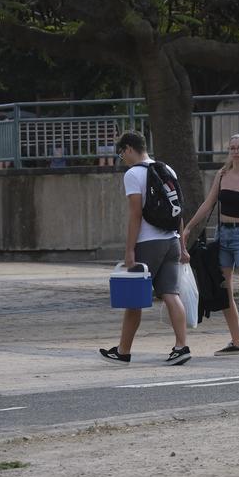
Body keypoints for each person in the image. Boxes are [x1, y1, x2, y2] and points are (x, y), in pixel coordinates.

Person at [180, 133, 239, 355]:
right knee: (225, 292)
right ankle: (237, 341)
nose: (235, 151)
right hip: (223, 235)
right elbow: (208, 203)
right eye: (232, 148)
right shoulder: (222, 175)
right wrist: (188, 228)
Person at [100, 131, 191, 365]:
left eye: (122, 154)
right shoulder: (167, 169)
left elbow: (135, 214)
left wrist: (130, 250)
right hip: (171, 239)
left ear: (129, 149)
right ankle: (181, 346)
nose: (124, 159)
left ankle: (123, 351)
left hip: (148, 242)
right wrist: (182, 245)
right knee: (171, 294)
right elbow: (177, 209)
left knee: (134, 299)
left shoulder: (133, 174)